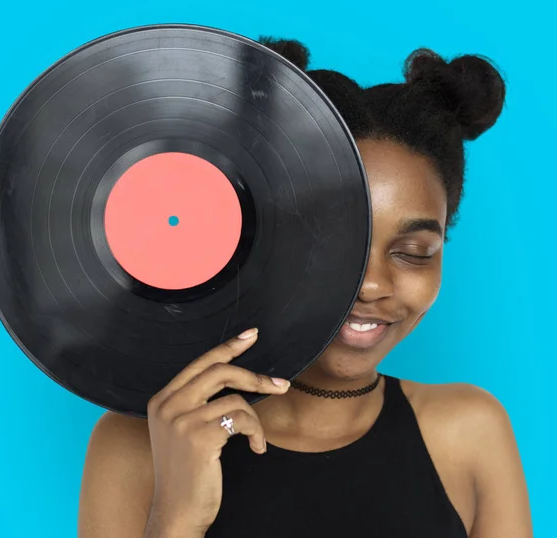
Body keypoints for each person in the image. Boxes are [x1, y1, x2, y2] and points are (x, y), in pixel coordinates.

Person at [78, 37, 533, 538]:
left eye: (414, 253)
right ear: (265, 237)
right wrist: (176, 520)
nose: (373, 283)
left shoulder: (471, 433)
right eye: (336, 246)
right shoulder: (140, 444)